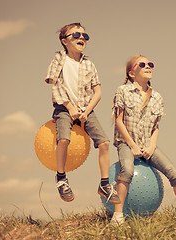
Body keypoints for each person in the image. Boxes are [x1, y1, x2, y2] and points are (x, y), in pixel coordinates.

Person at [44, 22, 120, 204]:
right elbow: (55, 86)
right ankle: (61, 178)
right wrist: (70, 108)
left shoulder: (89, 64)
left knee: (104, 143)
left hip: (86, 109)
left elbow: (98, 93)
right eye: (76, 35)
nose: (81, 38)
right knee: (64, 139)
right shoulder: (58, 60)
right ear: (64, 41)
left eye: (84, 36)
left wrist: (86, 112)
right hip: (64, 108)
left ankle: (104, 184)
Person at [111, 54, 176, 225]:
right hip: (126, 143)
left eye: (150, 64)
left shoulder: (157, 98)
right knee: (127, 170)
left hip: (148, 145)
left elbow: (156, 127)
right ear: (132, 73)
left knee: (175, 174)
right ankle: (118, 216)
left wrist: (152, 146)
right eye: (142, 64)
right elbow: (118, 121)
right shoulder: (123, 91)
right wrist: (132, 145)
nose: (148, 66)